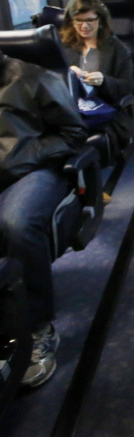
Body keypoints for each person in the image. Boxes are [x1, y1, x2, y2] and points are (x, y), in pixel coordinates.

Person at [0, 50, 88, 387]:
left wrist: (20, 157)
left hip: (36, 170)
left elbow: (72, 133)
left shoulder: (32, 78)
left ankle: (37, 328)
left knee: (17, 223)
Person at [59, 0, 134, 157]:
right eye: (78, 21)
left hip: (105, 111)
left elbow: (127, 87)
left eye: (90, 20)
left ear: (100, 21)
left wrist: (104, 81)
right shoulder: (62, 48)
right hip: (69, 111)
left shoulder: (116, 49)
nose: (84, 26)